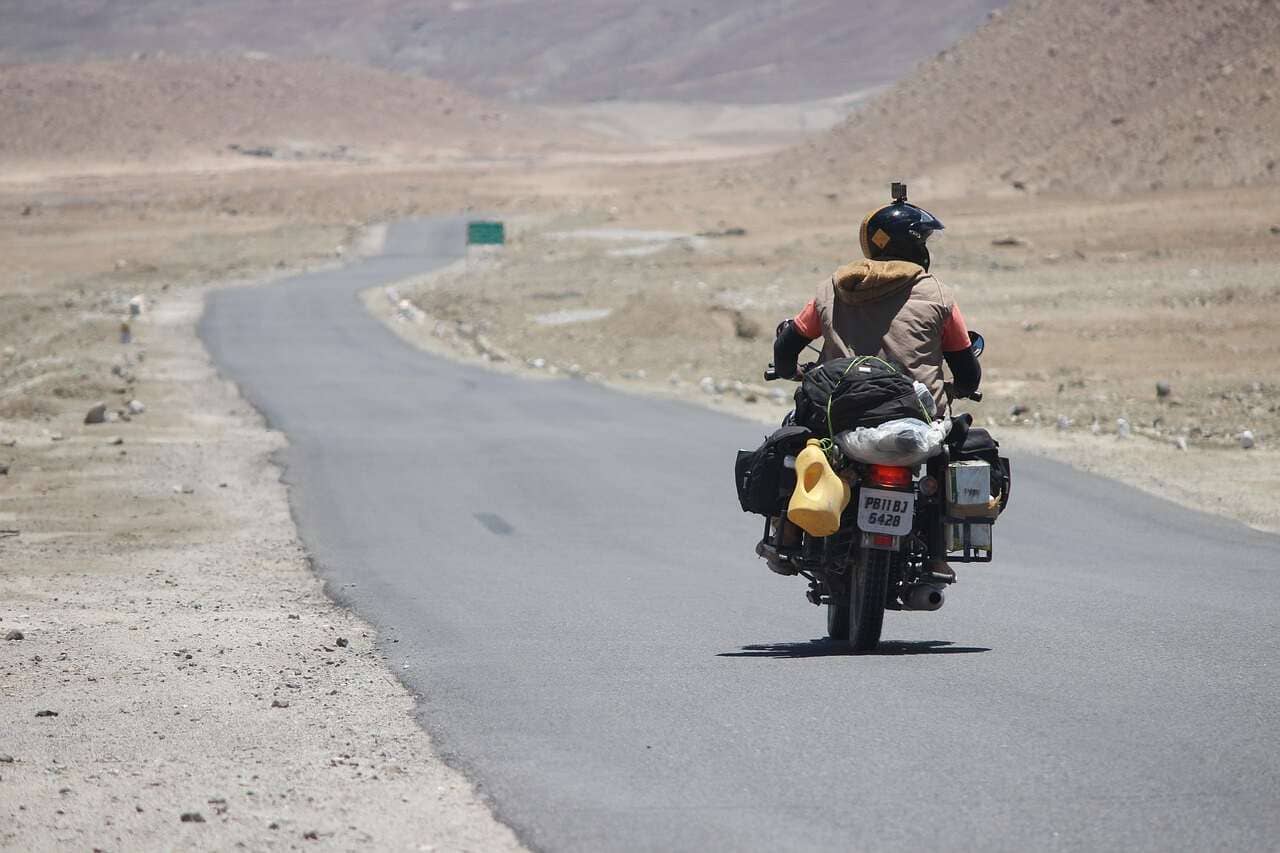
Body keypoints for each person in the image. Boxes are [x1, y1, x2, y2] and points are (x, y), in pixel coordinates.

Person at [770, 184, 980, 582]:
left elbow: (788, 345)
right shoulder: (937, 294)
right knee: (940, 462)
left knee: (797, 443)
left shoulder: (834, 287)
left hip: (840, 411)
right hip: (916, 414)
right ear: (917, 246)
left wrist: (787, 370)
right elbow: (968, 371)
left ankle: (786, 536)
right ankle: (937, 556)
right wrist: (961, 385)